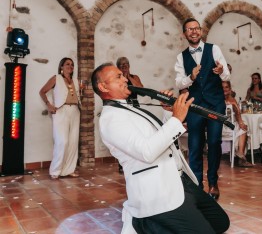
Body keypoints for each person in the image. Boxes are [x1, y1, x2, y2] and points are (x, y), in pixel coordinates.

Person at [92, 63, 230, 234]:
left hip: (178, 180)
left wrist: (170, 111)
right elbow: (147, 152)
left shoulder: (129, 108)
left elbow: (159, 136)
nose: (125, 79)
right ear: (103, 86)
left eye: (123, 75)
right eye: (118, 77)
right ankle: (145, 224)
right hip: (156, 192)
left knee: (220, 222)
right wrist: (177, 119)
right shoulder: (110, 119)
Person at [174, 18, 230, 199]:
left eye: (196, 28)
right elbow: (178, 82)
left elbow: (226, 74)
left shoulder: (214, 49)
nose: (194, 31)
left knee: (214, 143)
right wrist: (191, 77)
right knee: (195, 145)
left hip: (215, 104)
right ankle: (197, 184)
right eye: (189, 29)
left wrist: (221, 70)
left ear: (201, 31)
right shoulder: (180, 57)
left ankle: (213, 182)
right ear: (185, 34)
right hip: (195, 106)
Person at [39, 57, 80, 179]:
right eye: (67, 64)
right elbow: (42, 91)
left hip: (75, 111)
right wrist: (49, 104)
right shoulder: (56, 78)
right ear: (61, 66)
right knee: (62, 141)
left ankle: (68, 170)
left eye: (72, 64)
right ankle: (55, 171)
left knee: (73, 142)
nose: (70, 66)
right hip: (61, 111)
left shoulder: (76, 81)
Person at [222, 81, 252, 167]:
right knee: (243, 128)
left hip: (225, 127)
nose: (224, 89)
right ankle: (240, 154)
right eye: (222, 87)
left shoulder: (231, 99)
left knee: (242, 127)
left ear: (230, 89)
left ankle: (240, 154)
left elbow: (237, 114)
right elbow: (238, 113)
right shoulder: (225, 100)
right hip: (221, 127)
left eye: (226, 87)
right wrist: (241, 123)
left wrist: (241, 123)